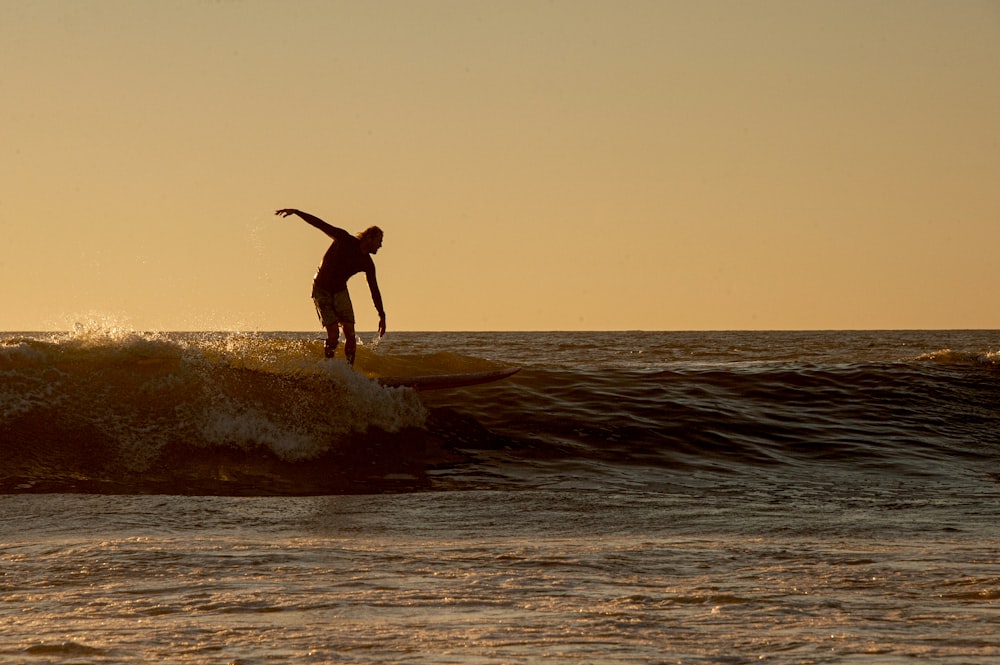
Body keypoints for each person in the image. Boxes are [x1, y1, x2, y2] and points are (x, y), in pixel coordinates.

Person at [275, 208, 386, 365]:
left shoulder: (367, 263)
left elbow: (374, 289)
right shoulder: (344, 239)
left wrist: (381, 314)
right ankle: (329, 368)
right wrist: (297, 212)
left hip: (340, 290)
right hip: (321, 289)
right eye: (379, 241)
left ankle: (349, 371)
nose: (380, 245)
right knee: (333, 335)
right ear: (369, 238)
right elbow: (321, 225)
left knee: (350, 333)